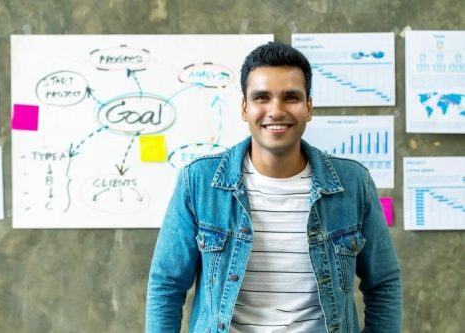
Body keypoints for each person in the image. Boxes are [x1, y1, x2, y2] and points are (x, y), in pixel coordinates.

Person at [146, 41, 401, 333]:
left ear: (309, 107)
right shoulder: (199, 181)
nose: (276, 110)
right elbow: (166, 286)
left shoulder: (352, 183)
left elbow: (383, 283)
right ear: (245, 108)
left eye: (290, 97)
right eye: (262, 97)